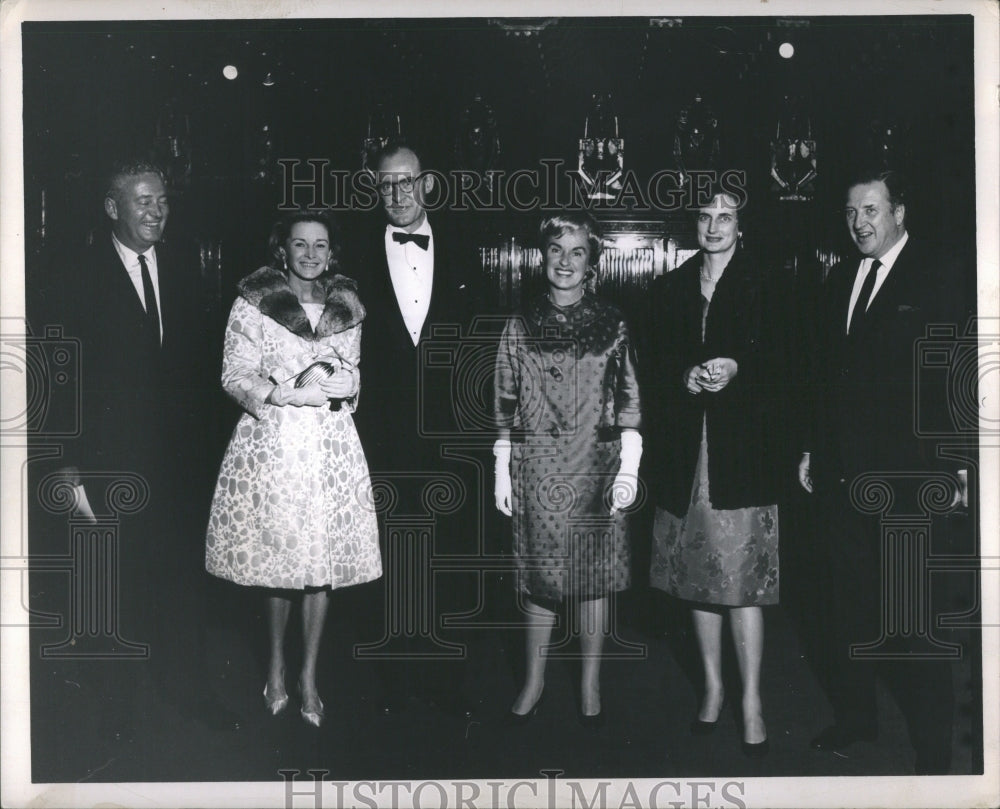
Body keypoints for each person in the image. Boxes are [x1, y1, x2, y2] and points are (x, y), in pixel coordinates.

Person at [39, 158, 237, 753]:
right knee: (112, 589)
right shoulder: (72, 273)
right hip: (106, 465)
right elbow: (57, 371)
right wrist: (66, 463)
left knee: (181, 584)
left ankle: (190, 691)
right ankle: (113, 715)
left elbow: (203, 368)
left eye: (163, 201)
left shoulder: (187, 264)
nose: (158, 212)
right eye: (145, 201)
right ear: (112, 208)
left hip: (179, 465)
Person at [797, 169, 969, 774]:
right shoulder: (842, 276)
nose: (859, 222)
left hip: (908, 486)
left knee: (912, 622)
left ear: (900, 212)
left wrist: (955, 469)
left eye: (871, 209)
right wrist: (814, 451)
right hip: (843, 481)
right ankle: (856, 719)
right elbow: (826, 376)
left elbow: (957, 377)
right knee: (847, 609)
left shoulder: (939, 274)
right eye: (851, 212)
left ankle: (934, 754)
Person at [205, 210, 382, 728]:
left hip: (329, 444)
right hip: (275, 440)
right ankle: (277, 666)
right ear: (281, 249)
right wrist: (278, 391)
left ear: (333, 252)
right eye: (299, 244)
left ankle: (309, 675)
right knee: (280, 557)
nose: (310, 254)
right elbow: (233, 373)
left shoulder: (347, 304)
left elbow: (353, 370)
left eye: (320, 245)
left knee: (319, 562)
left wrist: (348, 386)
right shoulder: (254, 301)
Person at [646, 189, 787, 757]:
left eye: (725, 216)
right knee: (696, 581)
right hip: (685, 456)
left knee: (742, 584)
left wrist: (737, 367)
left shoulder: (769, 282)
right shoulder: (668, 287)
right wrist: (682, 380)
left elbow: (791, 363)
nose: (713, 225)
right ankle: (713, 689)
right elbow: (650, 368)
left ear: (741, 225)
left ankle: (752, 701)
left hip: (743, 455)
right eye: (704, 216)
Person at [349, 141, 483, 718]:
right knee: (386, 554)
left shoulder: (467, 248)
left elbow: (481, 344)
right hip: (378, 435)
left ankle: (446, 680)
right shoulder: (351, 255)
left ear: (427, 184)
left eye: (407, 182)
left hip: (450, 437)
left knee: (447, 555)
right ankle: (390, 685)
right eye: (386, 185)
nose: (398, 195)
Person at [493, 211, 642, 728]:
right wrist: (499, 465)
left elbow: (629, 399)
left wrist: (630, 467)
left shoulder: (613, 321)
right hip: (535, 468)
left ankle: (590, 681)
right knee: (538, 576)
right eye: (556, 250)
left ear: (592, 261)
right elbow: (504, 398)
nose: (565, 261)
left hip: (595, 469)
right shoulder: (519, 322)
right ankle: (533, 682)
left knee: (592, 577)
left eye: (577, 251)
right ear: (542, 256)